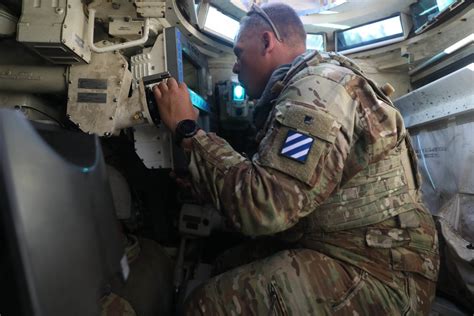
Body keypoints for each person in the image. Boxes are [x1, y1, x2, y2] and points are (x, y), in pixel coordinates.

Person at [153, 3, 439, 315]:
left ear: (266, 42)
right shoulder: (309, 84)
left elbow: (265, 209)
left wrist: (187, 130)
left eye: (238, 54)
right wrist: (204, 183)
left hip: (383, 274)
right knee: (223, 261)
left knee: (205, 305)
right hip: (349, 245)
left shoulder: (316, 90)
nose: (235, 67)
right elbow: (281, 186)